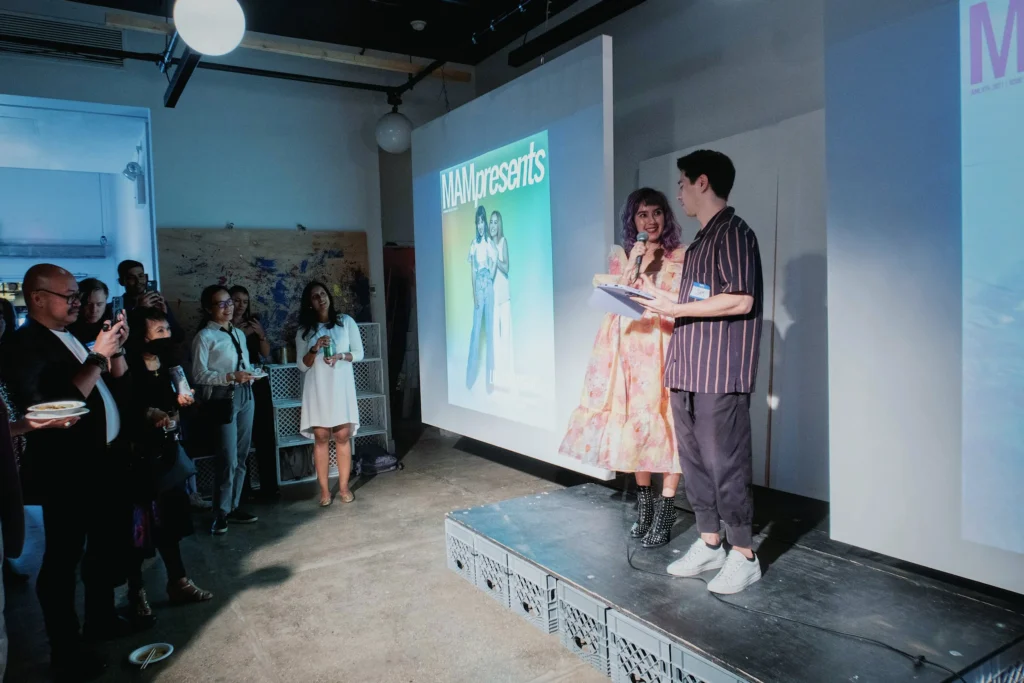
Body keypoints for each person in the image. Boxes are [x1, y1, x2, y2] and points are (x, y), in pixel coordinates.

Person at [634, 150, 764, 594]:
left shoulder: (734, 233)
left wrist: (677, 306)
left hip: (718, 370)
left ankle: (743, 553)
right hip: (687, 367)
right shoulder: (701, 240)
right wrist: (657, 297)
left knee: (725, 463)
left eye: (682, 184)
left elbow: (741, 299)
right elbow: (694, 306)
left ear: (702, 182)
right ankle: (710, 543)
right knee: (693, 463)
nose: (679, 193)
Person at [0, 264, 132, 681]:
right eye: (69, 295)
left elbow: (111, 383)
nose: (77, 302)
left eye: (78, 295)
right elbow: (55, 405)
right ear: (37, 297)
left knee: (105, 547)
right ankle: (65, 648)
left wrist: (114, 349)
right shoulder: (23, 346)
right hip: (66, 470)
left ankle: (101, 617)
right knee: (62, 560)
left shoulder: (69, 336)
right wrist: (98, 354)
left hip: (102, 460)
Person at [561, 188, 687, 548]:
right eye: (643, 214)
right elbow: (614, 300)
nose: (651, 221)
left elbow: (687, 300)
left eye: (657, 212)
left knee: (669, 423)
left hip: (664, 345)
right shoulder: (621, 257)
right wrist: (634, 262)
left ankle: (667, 507)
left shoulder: (681, 254)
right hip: (631, 348)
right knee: (636, 425)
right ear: (632, 220)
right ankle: (644, 504)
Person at [123, 307, 212, 624]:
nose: (166, 335)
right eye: (158, 330)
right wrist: (148, 415)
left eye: (166, 329)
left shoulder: (172, 363)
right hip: (136, 459)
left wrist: (182, 406)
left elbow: (184, 399)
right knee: (138, 530)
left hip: (168, 454)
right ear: (140, 334)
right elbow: (123, 408)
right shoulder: (126, 365)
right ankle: (136, 593)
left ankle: (179, 582)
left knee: (170, 527)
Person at [191, 285, 258, 535]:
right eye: (221, 304)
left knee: (242, 454)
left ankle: (233, 506)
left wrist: (250, 375)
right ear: (209, 308)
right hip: (222, 398)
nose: (228, 307)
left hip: (246, 395)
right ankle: (219, 513)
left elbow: (245, 364)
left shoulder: (239, 334)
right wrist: (230, 376)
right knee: (227, 457)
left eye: (229, 302)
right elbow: (199, 375)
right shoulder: (205, 337)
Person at [295, 281, 363, 507]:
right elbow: (302, 366)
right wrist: (315, 347)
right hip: (317, 388)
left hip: (341, 385)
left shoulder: (345, 322)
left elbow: (359, 353)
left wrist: (340, 356)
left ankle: (343, 487)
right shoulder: (305, 331)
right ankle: (324, 490)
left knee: (342, 435)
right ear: (310, 304)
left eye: (323, 293)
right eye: (315, 296)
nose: (321, 298)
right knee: (322, 436)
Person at [230, 286, 278, 500]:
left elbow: (265, 354)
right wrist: (239, 333)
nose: (240, 305)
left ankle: (270, 488)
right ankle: (243, 490)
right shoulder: (222, 326)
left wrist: (260, 335)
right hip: (235, 384)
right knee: (240, 439)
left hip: (257, 382)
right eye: (236, 300)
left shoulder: (253, 322)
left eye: (244, 301)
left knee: (265, 435)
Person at [466, 205, 496, 393]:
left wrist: (489, 278)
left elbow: (493, 263)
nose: (480, 225)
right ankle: (470, 378)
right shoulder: (474, 244)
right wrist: (475, 293)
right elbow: (472, 271)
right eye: (478, 222)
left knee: (490, 332)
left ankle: (490, 382)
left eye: (482, 222)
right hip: (479, 286)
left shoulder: (489, 244)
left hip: (488, 285)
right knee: (476, 331)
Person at [117, 259, 183, 342]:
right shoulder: (117, 307)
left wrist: (165, 315)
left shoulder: (156, 302)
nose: (138, 281)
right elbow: (121, 341)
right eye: (131, 278)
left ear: (146, 277)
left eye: (141, 276)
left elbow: (179, 337)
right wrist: (138, 311)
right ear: (121, 281)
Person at [488, 211, 517, 394]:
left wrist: (495, 255)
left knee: (506, 337)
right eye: (491, 222)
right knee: (494, 340)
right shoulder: (487, 245)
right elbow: (489, 275)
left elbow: (506, 267)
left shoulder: (502, 242)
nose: (492, 225)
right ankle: (497, 379)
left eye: (495, 222)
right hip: (492, 297)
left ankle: (509, 378)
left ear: (499, 225)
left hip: (504, 297)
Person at [68, 278, 111, 348]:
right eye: (88, 304)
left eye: (99, 304)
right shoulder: (69, 327)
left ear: (106, 302)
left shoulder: (112, 320)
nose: (94, 310)